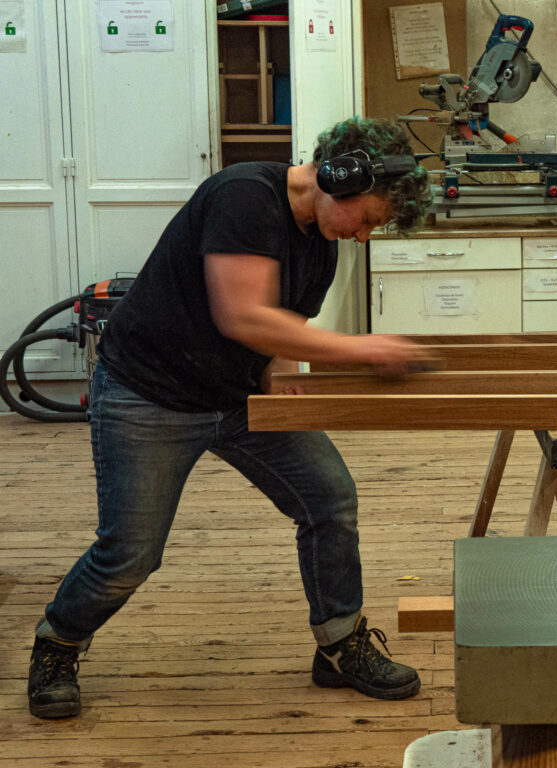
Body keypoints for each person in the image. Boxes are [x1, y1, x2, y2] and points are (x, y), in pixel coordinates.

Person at [27, 117, 435, 719]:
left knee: (328, 500)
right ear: (337, 179)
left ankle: (340, 646)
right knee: (131, 553)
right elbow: (244, 315)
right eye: (370, 218)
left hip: (237, 399)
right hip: (150, 395)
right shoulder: (244, 195)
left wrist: (279, 379)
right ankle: (57, 642)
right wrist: (365, 348)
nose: (365, 236)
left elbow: (278, 325)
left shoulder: (320, 243)